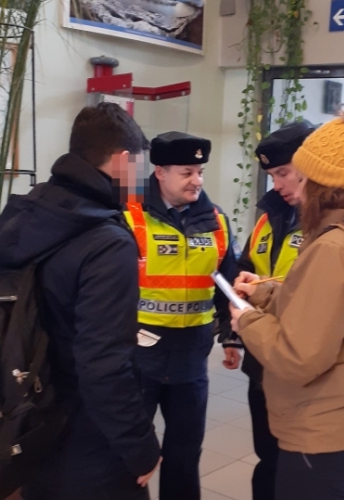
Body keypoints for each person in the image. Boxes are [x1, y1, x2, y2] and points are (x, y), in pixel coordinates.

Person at [230, 101, 344, 500]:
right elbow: (331, 311)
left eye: (300, 175)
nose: (293, 187)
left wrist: (246, 319)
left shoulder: (334, 248)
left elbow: (298, 358)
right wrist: (263, 294)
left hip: (324, 433)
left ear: (322, 182)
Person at [0, 103, 160, 500]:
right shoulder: (106, 242)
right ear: (123, 161)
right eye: (140, 166)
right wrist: (140, 446)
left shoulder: (28, 214)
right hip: (88, 441)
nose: (141, 178)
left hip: (27, 425)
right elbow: (103, 364)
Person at [124, 131, 240, 500]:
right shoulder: (128, 217)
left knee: (185, 454)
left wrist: (231, 336)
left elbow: (227, 283)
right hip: (138, 357)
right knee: (129, 457)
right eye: (186, 172)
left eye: (200, 172)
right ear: (160, 172)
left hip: (191, 358)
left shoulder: (216, 220)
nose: (197, 180)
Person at [236, 121, 313, 500]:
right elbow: (248, 262)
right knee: (268, 458)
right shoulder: (269, 216)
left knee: (299, 468)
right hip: (262, 359)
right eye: (271, 176)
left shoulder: (330, 227)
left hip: (301, 362)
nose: (277, 184)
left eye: (283, 173)